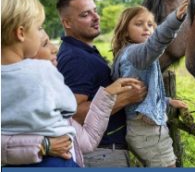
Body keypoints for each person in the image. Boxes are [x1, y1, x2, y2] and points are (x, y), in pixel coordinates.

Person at [1, 31, 142, 167]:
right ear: (24, 55)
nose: (55, 49)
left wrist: (107, 94)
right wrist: (43, 145)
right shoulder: (14, 98)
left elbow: (87, 141)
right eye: (44, 44)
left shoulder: (52, 102)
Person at [55, 0, 147, 167]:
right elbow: (72, 114)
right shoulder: (76, 58)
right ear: (67, 23)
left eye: (95, 10)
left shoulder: (80, 51)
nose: (95, 17)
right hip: (101, 154)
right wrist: (124, 99)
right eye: (85, 14)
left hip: (103, 152)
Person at [110, 0, 190, 167]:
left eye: (150, 24)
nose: (147, 28)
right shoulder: (136, 53)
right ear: (125, 31)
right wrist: (174, 21)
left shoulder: (125, 54)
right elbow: (156, 44)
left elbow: (145, 94)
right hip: (149, 132)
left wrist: (168, 101)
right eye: (139, 24)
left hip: (139, 129)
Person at [1, 0, 78, 167]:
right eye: (38, 28)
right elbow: (68, 108)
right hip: (54, 159)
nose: (40, 34)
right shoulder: (42, 70)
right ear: (21, 33)